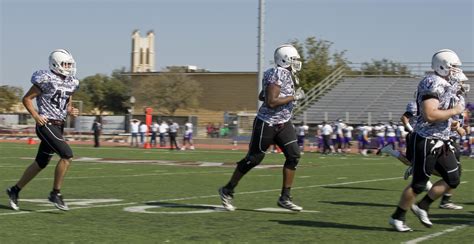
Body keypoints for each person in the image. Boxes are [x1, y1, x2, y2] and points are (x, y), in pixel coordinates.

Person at [218, 44, 305, 211]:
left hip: (283, 122)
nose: (297, 63)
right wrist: (293, 97)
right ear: (285, 59)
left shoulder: (279, 73)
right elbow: (271, 102)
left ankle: (285, 197)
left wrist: (284, 95)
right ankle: (227, 190)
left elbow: (262, 95)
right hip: (267, 123)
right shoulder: (279, 73)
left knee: (293, 155)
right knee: (253, 159)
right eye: (294, 59)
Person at [389, 49, 465, 232]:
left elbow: (441, 113)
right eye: (453, 67)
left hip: (442, 140)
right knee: (419, 184)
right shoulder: (433, 83)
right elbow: (430, 115)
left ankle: (422, 206)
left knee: (453, 178)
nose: (456, 71)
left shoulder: (445, 84)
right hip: (427, 140)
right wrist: (454, 112)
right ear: (442, 66)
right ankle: (397, 217)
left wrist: (452, 123)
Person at [6, 49, 79, 211]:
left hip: (59, 125)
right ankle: (55, 193)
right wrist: (36, 116)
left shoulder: (71, 82)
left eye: (70, 64)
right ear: (56, 64)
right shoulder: (46, 79)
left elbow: (66, 103)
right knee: (67, 155)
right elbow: (26, 99)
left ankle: (14, 190)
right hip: (46, 124)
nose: (68, 67)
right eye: (65, 64)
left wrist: (71, 110)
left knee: (41, 163)